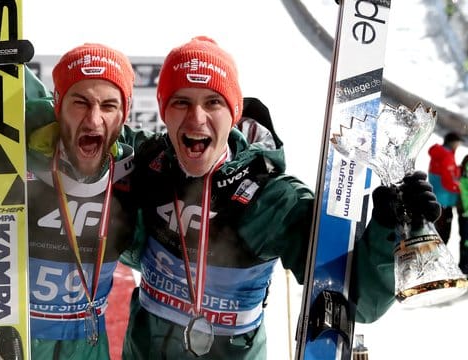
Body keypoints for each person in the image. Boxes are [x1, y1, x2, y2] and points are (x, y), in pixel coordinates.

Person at [120, 36, 441, 360]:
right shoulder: (150, 162)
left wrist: (390, 225)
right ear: (164, 111)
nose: (196, 117)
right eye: (181, 102)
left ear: (233, 113)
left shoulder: (270, 197)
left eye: (213, 102)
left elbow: (358, 298)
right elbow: (90, 128)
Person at [0, 6, 151, 356]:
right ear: (58, 105)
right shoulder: (6, 169)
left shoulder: (128, 182)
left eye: (109, 105)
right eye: (80, 102)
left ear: (123, 115)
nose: (94, 119)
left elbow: (163, 260)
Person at [428, 132, 463, 244]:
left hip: (437, 198)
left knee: (436, 233)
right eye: (457, 143)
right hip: (444, 201)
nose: (458, 145)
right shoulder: (446, 156)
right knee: (442, 236)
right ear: (452, 142)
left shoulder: (440, 153)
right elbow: (448, 181)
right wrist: (461, 188)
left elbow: (446, 174)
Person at [456, 154, 468, 274]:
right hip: (465, 213)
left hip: (463, 212)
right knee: (465, 240)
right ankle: (464, 266)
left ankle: (464, 265)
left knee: (464, 239)